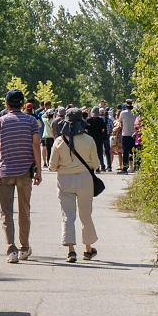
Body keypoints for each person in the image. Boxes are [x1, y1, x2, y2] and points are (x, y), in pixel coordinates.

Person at [0, 89, 42, 263]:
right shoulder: (31, 121)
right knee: (24, 211)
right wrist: (39, 170)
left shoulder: (0, 121)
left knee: (6, 212)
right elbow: (36, 145)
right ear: (23, 104)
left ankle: (11, 249)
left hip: (5, 172)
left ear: (6, 104)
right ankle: (24, 248)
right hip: (24, 172)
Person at [48, 108, 101, 262]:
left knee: (68, 216)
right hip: (85, 179)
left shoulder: (59, 141)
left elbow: (52, 166)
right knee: (85, 214)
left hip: (64, 180)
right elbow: (96, 164)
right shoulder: (89, 140)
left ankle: (71, 250)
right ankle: (88, 248)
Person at [86, 107, 107, 172]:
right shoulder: (101, 120)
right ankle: (97, 168)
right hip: (99, 139)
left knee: (90, 153)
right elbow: (103, 129)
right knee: (98, 153)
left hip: (90, 139)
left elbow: (86, 129)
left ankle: (91, 167)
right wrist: (103, 137)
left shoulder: (88, 120)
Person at [119, 99, 136, 174]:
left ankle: (125, 168)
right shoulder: (136, 113)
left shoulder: (123, 113)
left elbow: (120, 121)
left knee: (125, 152)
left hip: (126, 134)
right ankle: (135, 167)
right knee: (134, 152)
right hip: (134, 134)